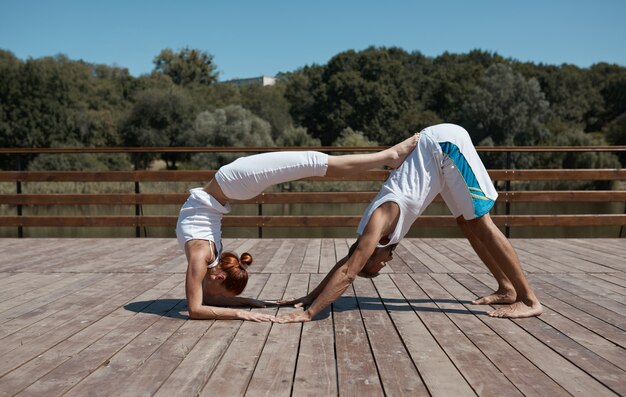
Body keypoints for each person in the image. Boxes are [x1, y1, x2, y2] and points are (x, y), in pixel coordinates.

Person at [276, 123, 543, 323]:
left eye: (378, 265)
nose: (386, 263)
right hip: (437, 160)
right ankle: (507, 288)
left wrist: (310, 314)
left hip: (446, 146)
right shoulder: (369, 236)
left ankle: (529, 300)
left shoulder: (377, 224)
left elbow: (348, 271)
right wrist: (310, 296)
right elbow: (347, 262)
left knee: (481, 223)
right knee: (466, 222)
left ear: (370, 255)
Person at [176, 136, 419, 321]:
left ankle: (391, 154)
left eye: (222, 294)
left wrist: (243, 314)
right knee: (312, 162)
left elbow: (196, 309)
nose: (216, 297)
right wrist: (255, 302)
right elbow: (209, 300)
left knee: (313, 162)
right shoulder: (211, 264)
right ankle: (388, 155)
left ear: (219, 277)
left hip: (232, 182)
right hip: (229, 189)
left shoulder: (200, 258)